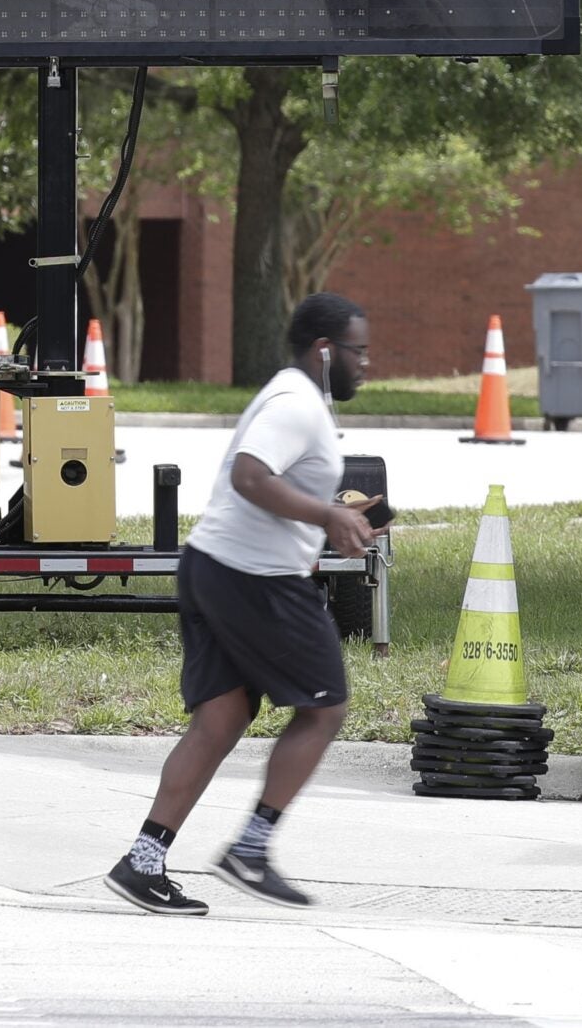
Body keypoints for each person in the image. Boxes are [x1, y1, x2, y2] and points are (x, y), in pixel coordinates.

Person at [105, 291, 380, 915]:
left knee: (221, 720)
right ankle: (250, 851)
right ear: (326, 349)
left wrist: (343, 519)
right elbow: (250, 478)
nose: (367, 363)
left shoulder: (294, 398)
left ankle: (142, 861)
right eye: (359, 351)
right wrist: (326, 515)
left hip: (213, 567)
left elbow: (275, 491)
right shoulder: (295, 404)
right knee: (325, 709)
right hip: (255, 581)